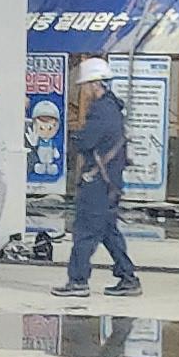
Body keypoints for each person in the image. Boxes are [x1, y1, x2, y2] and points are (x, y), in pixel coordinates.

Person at [56, 71, 143, 298]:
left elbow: (87, 141)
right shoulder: (114, 108)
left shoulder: (100, 111)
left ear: (96, 84)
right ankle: (128, 278)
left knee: (85, 231)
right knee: (107, 231)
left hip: (97, 183)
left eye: (85, 85)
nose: (83, 91)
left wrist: (76, 137)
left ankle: (78, 281)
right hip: (110, 182)